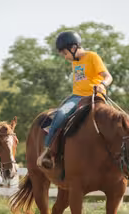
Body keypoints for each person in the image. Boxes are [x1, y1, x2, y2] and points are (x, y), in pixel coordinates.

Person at [37, 31, 113, 169]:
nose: (65, 57)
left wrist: (102, 84)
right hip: (76, 97)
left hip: (94, 96)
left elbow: (108, 76)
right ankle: (49, 151)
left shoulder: (92, 57)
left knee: (116, 120)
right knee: (55, 117)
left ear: (73, 48)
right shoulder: (75, 61)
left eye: (65, 53)